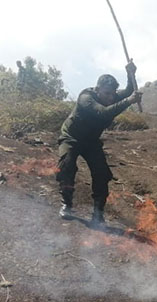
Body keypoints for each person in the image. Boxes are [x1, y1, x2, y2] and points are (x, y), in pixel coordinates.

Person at [56, 61, 142, 227]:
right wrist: (129, 101)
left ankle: (98, 214)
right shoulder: (86, 98)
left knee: (101, 174)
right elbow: (103, 113)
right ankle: (66, 203)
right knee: (67, 166)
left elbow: (129, 91)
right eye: (106, 94)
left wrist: (130, 73)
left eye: (112, 94)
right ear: (97, 90)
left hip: (91, 141)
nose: (110, 98)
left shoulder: (111, 97)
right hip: (71, 137)